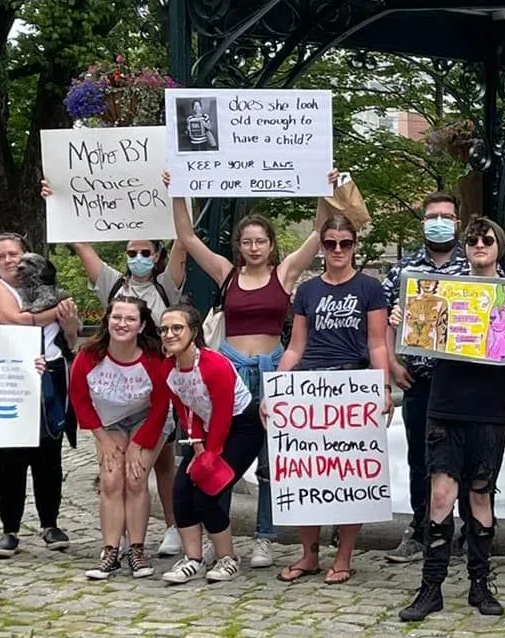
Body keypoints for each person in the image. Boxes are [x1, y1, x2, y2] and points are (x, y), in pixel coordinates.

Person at [169, 173, 342, 569]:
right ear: (240, 246)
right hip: (230, 370)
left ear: (270, 244)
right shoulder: (227, 273)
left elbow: (318, 233)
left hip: (273, 371)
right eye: (247, 242)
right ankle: (218, 534)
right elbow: (189, 238)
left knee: (270, 461)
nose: (253, 248)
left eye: (260, 241)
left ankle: (264, 536)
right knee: (220, 457)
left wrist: (323, 189)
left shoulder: (284, 274)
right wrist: (178, 191)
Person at [42, 179, 187, 556]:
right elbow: (81, 244)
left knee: (163, 463)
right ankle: (120, 535)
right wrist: (58, 201)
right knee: (117, 466)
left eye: (145, 251)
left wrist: (179, 192)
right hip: (116, 389)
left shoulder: (167, 285)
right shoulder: (110, 283)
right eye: (131, 251)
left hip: (158, 382)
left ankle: (170, 525)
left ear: (156, 256)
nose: (137, 256)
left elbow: (185, 240)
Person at [394, 216, 505, 621]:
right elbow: (411, 343)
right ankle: (430, 586)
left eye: (487, 238)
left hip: (488, 405)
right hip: (446, 401)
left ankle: (480, 584)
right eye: (472, 239)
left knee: (481, 492)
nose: (479, 244)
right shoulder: (442, 289)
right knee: (441, 494)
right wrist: (403, 324)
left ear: (499, 246)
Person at [274, 212, 391, 586]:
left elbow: (376, 343)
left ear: (354, 245)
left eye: (345, 243)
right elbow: (296, 346)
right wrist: (275, 389)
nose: (338, 250)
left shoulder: (370, 288)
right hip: (310, 386)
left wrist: (383, 388)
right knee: (307, 474)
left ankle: (343, 557)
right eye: (330, 243)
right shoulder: (307, 292)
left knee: (349, 476)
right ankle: (309, 555)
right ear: (322, 247)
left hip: (352, 385)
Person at [0, 231, 82, 558]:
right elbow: (15, 322)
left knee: (49, 454)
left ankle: (50, 524)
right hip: (11, 377)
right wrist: (58, 311)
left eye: (15, 254)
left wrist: (69, 321)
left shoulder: (48, 288)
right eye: (2, 256)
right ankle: (10, 529)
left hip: (50, 371)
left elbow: (71, 335)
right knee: (11, 458)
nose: (10, 260)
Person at [382, 192, 472, 563]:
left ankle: (470, 530)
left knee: (465, 458)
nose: (438, 221)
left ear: (457, 223)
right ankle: (420, 531)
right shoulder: (402, 270)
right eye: (432, 215)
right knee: (420, 458)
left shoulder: (472, 268)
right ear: (423, 223)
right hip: (417, 380)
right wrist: (391, 363)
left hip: (462, 381)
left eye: (445, 216)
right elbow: (384, 321)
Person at [155, 304, 264, 584]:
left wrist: (210, 454)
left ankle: (227, 558)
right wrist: (197, 445)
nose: (169, 334)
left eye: (177, 328)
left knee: (207, 492)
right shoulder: (169, 370)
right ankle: (193, 559)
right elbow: (184, 410)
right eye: (164, 329)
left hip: (242, 427)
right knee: (180, 490)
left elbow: (224, 413)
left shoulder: (214, 365)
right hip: (205, 429)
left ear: (193, 332)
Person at [68, 296, 172, 580]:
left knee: (136, 477)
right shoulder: (88, 356)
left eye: (130, 319)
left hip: (147, 417)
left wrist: (139, 444)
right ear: (107, 321)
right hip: (108, 420)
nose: (122, 324)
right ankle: (110, 550)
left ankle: (136, 550)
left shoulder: (153, 358)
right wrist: (100, 437)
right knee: (111, 479)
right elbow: (79, 399)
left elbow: (162, 405)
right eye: (116, 317)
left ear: (140, 326)